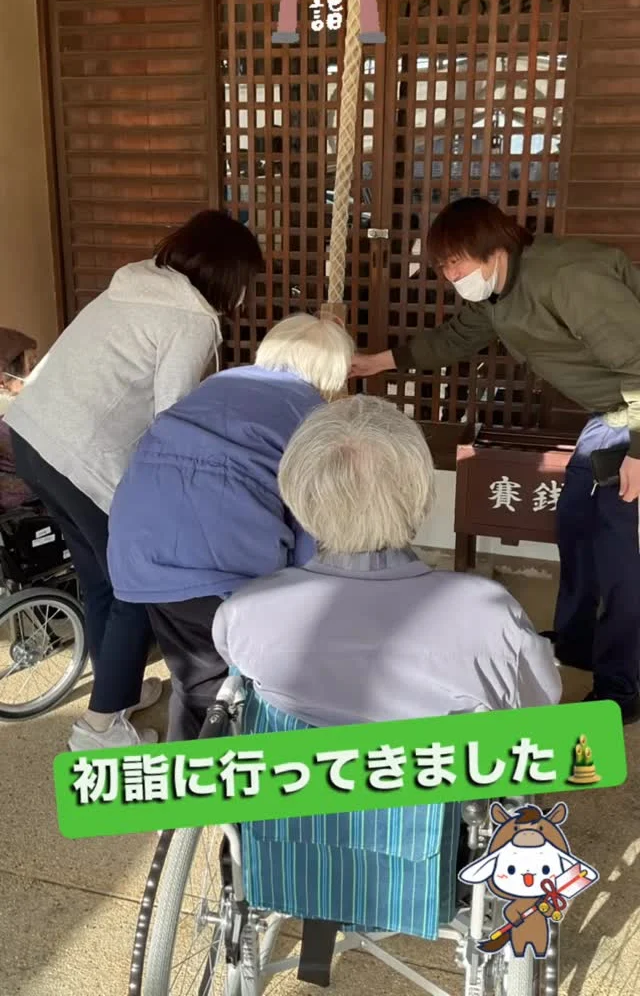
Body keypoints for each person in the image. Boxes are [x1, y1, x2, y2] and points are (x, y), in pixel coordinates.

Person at [349, 196, 640, 724]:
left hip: (635, 413)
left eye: (457, 261)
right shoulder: (496, 294)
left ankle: (624, 684)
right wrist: (376, 363)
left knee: (623, 551)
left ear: (494, 246)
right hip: (612, 414)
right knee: (577, 523)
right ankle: (577, 642)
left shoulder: (569, 278)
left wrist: (638, 454)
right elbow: (456, 337)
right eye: (443, 267)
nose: (452, 275)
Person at [5, 209, 263, 750]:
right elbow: (172, 419)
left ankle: (114, 695)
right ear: (229, 275)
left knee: (99, 578)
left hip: (29, 437)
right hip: (81, 461)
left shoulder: (136, 282)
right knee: (132, 587)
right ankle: (97, 729)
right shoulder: (192, 319)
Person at [213, 394, 561, 726]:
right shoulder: (489, 614)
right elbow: (540, 700)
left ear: (296, 493)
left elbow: (241, 669)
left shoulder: (246, 609)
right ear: (419, 494)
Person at [107, 313, 355, 741]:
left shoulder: (218, 384)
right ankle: (221, 790)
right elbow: (309, 528)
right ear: (331, 371)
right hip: (217, 565)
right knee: (253, 684)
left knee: (195, 678)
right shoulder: (314, 417)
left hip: (137, 545)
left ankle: (187, 786)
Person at [0, 329, 38, 511]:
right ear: (3, 380)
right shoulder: (9, 425)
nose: (38, 373)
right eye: (31, 366)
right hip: (21, 519)